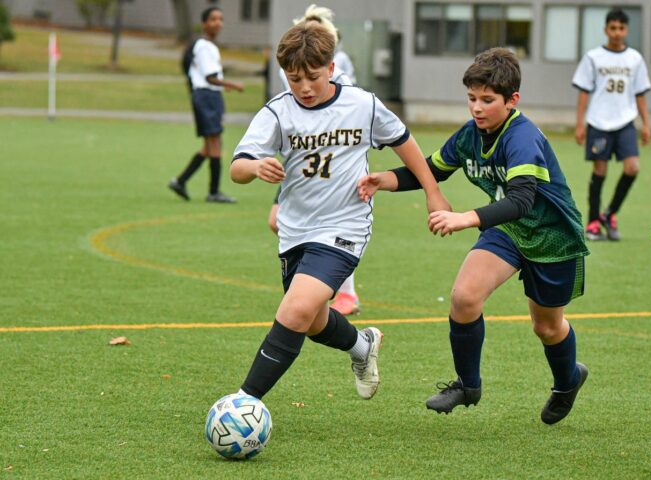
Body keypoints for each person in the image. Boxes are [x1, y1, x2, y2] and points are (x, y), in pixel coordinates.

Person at [358, 48, 589, 424]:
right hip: (508, 230)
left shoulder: (522, 138)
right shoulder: (470, 135)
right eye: (471, 99)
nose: (477, 108)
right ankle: (468, 384)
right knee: (464, 297)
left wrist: (465, 217)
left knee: (546, 326)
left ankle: (567, 381)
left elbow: (522, 200)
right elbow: (432, 170)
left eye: (487, 100)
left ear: (512, 100)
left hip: (550, 237)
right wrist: (387, 179)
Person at [229, 21, 448, 402]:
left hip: (345, 225)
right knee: (313, 322)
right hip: (295, 230)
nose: (304, 88)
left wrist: (432, 191)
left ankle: (244, 403)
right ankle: (362, 347)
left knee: (295, 310)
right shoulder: (278, 113)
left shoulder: (361, 105)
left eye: (313, 77)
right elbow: (237, 168)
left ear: (331, 68)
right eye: (294, 79)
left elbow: (405, 143)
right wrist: (255, 167)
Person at [271, 3, 361, 315]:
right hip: (299, 159)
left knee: (335, 229)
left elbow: (348, 109)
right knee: (277, 221)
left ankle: (346, 293)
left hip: (332, 158)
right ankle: (315, 286)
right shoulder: (291, 64)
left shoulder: (340, 64)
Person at [572, 7, 651, 241]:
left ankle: (610, 213)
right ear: (606, 29)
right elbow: (584, 93)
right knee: (600, 171)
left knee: (632, 167)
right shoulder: (593, 57)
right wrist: (579, 124)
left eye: (621, 28)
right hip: (598, 122)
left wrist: (646, 123)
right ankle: (594, 221)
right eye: (613, 28)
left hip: (626, 121)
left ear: (626, 30)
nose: (617, 32)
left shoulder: (635, 59)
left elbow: (640, 94)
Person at [168, 6, 244, 204]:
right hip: (206, 96)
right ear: (204, 24)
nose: (218, 23)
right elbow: (210, 78)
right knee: (215, 144)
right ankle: (214, 192)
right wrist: (233, 84)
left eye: (220, 19)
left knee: (209, 147)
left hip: (210, 96)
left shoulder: (209, 45)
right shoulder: (203, 46)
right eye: (213, 19)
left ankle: (180, 181)